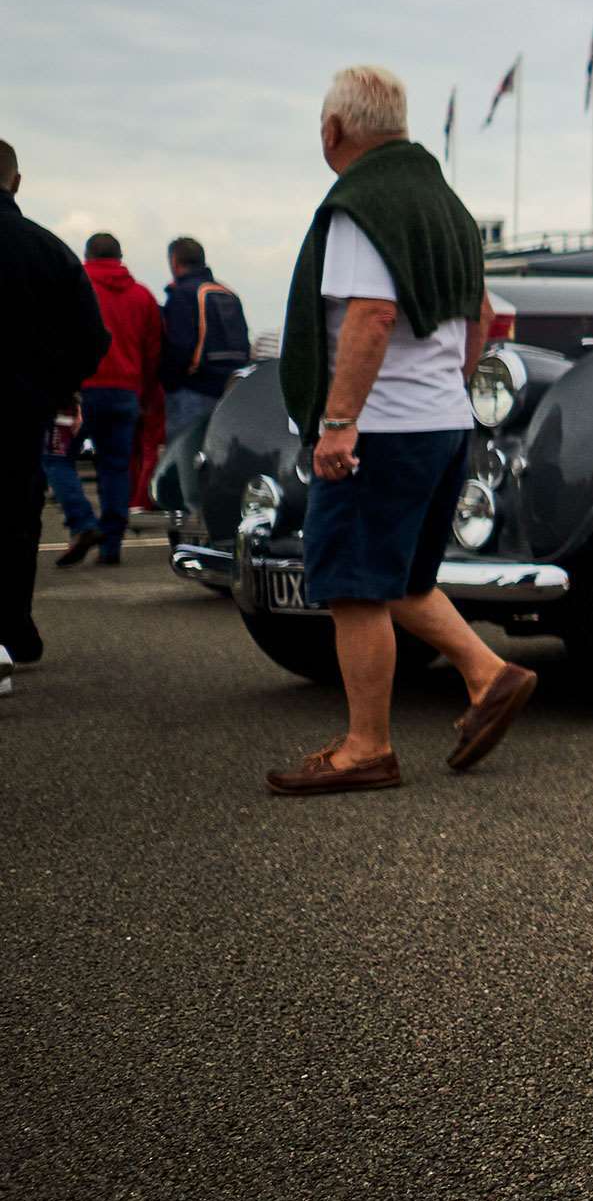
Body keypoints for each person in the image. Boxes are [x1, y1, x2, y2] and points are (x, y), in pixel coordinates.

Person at [265, 66, 537, 796]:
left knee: (354, 588)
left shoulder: (363, 202)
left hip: (380, 429)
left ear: (333, 131)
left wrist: (339, 425)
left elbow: (371, 316)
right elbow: (481, 315)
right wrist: (450, 386)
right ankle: (490, 676)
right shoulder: (446, 205)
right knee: (405, 580)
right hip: (442, 424)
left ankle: (367, 748)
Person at [0, 139, 109, 668]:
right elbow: (93, 337)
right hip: (22, 407)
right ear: (16, 182)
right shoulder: (49, 250)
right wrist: (56, 384)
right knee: (17, 517)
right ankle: (12, 627)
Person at [40, 232, 161, 568]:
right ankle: (111, 545)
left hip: (76, 394)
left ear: (87, 255)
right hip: (125, 395)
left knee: (55, 456)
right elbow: (153, 351)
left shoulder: (73, 288)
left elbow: (54, 337)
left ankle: (82, 523)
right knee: (115, 466)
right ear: (120, 256)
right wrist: (146, 394)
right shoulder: (142, 296)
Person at [159, 236, 251, 442]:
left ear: (174, 261)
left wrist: (168, 382)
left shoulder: (183, 294)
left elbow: (179, 346)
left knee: (185, 455)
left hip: (192, 390)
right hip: (228, 390)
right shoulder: (227, 294)